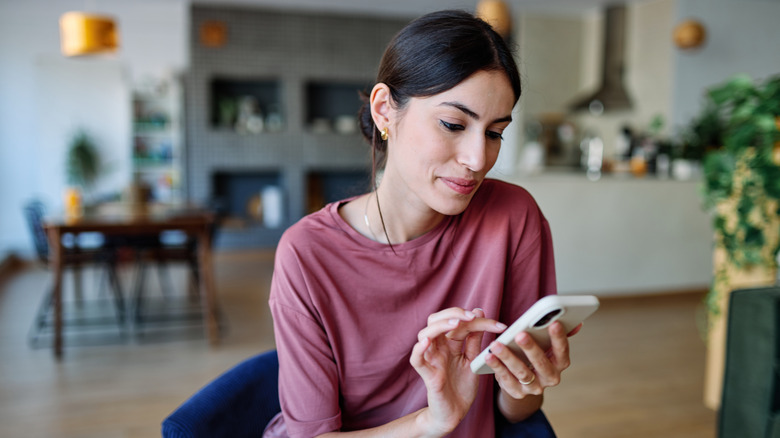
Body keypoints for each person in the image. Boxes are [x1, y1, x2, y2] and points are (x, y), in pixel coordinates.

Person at [266, 9, 576, 438]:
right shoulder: (307, 253)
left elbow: (518, 411)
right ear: (383, 111)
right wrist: (430, 423)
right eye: (453, 124)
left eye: (494, 133)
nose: (476, 159)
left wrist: (527, 379)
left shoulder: (513, 217)